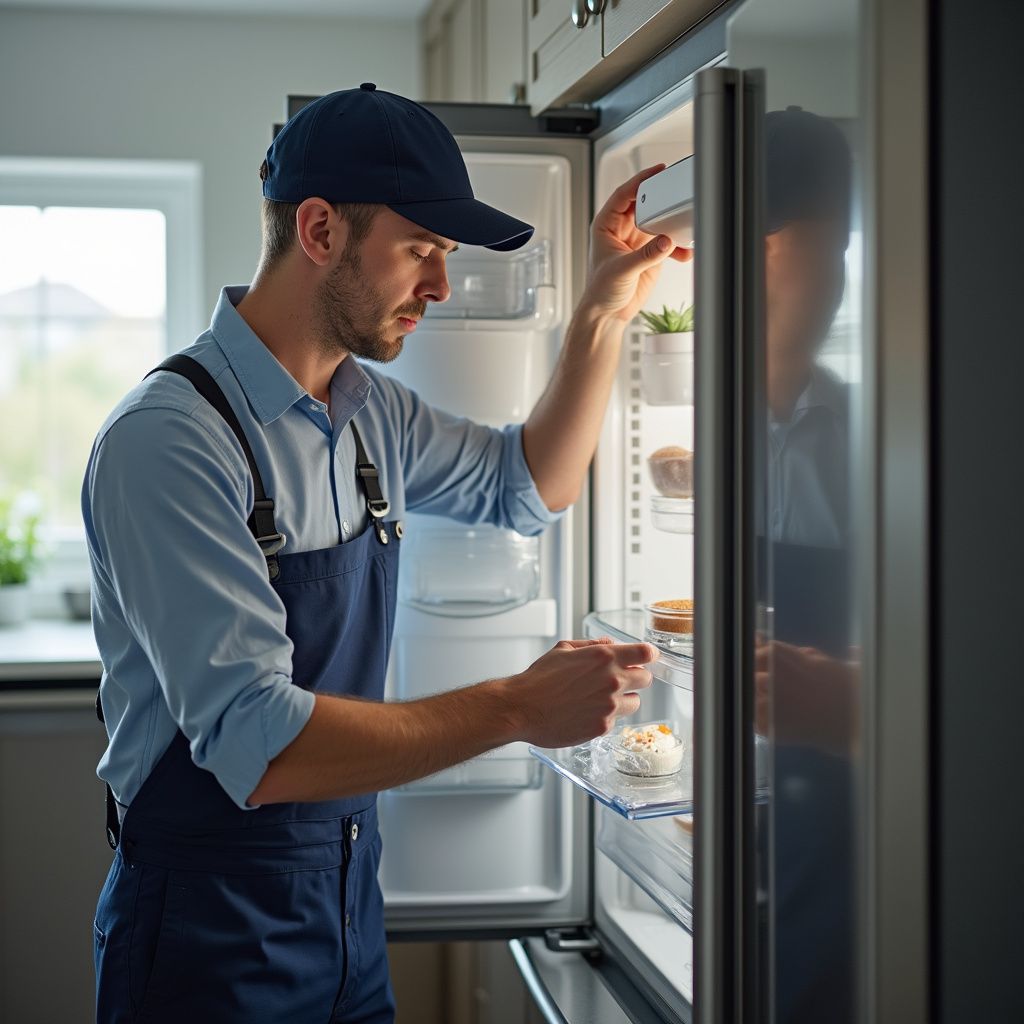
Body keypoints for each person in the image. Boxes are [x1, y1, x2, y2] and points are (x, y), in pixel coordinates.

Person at [84, 83, 688, 1024]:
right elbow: (261, 746)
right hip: (206, 931)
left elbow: (528, 487)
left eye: (445, 255)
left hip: (348, 907)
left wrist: (607, 308)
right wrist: (519, 707)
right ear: (320, 230)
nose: (441, 287)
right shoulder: (171, 440)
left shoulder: (373, 417)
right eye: (421, 250)